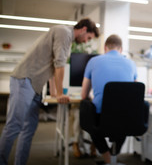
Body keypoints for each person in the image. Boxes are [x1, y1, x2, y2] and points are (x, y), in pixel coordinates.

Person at [0, 18, 99, 165]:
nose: (86, 42)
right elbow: (59, 65)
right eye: (88, 37)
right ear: (84, 29)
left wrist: (53, 92)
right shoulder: (64, 32)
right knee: (14, 125)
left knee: (28, 130)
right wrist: (59, 93)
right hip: (25, 80)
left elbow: (52, 66)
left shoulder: (67, 40)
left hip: (35, 86)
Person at [81, 34, 137, 164]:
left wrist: (93, 96)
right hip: (125, 117)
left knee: (92, 121)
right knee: (123, 123)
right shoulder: (131, 64)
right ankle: (113, 156)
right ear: (121, 49)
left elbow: (84, 95)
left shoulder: (93, 61)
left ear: (105, 48)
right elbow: (135, 93)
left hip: (101, 117)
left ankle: (108, 159)